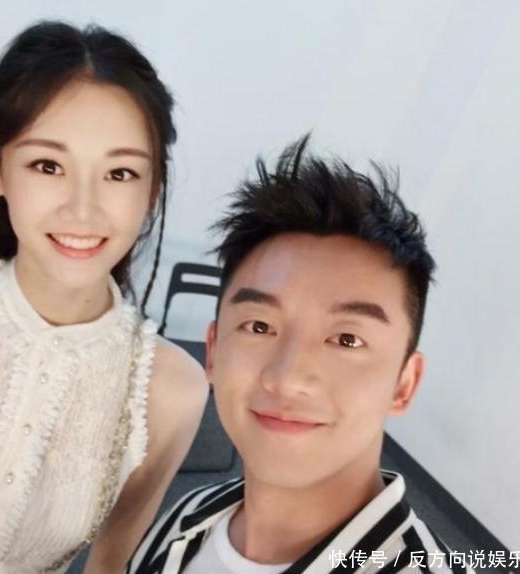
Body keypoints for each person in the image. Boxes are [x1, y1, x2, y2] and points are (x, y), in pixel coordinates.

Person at [0, 21, 207, 574]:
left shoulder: (173, 388)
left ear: (152, 190)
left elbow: (111, 565)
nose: (83, 209)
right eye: (49, 166)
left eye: (120, 173)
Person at [127, 135, 474, 574]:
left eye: (347, 339)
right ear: (213, 352)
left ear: (404, 384)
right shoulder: (188, 516)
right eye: (259, 327)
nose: (288, 377)